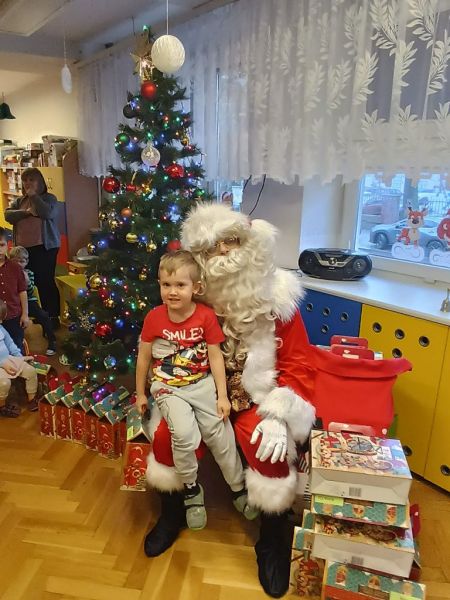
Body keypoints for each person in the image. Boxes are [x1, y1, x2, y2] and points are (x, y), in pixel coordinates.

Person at [143, 204, 316, 598]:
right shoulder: (188, 300)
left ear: (249, 243)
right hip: (198, 392)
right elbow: (161, 350)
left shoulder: (278, 299)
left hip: (258, 396)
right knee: (166, 437)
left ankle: (272, 537)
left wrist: (279, 412)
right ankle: (172, 513)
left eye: (231, 242)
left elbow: (300, 363)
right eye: (211, 248)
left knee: (268, 446)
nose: (222, 252)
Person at [136, 250, 258, 530]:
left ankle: (237, 487)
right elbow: (144, 357)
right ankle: (191, 490)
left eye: (180, 285)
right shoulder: (154, 318)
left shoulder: (205, 316)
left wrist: (222, 396)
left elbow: (215, 357)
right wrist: (141, 392)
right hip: (168, 387)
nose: (173, 291)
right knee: (183, 435)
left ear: (196, 288)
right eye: (166, 285)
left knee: (219, 433)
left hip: (202, 384)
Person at [5, 167, 61, 328]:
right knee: (24, 283)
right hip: (23, 251)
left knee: (45, 282)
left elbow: (47, 213)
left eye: (32, 180)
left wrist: (34, 196)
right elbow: (8, 215)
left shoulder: (49, 198)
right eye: (25, 180)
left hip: (44, 248)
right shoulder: (19, 201)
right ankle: (31, 314)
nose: (28, 183)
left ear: (40, 182)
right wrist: (27, 212)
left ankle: (51, 317)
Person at [9, 246, 57, 356]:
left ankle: (52, 340)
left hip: (29, 301)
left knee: (43, 316)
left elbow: (30, 291)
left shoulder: (29, 273)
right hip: (14, 303)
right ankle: (14, 345)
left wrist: (26, 281)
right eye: (15, 261)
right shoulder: (8, 274)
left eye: (22, 261)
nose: (19, 264)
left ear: (26, 262)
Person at [0, 300, 39, 417]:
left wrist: (19, 357)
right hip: (1, 364)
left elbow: (10, 344)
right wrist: (2, 364)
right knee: (4, 383)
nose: (1, 322)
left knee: (30, 371)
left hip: (9, 359)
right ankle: (2, 406)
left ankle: (32, 399)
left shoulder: (1, 328)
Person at [0, 227, 29, 350]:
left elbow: (22, 291)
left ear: (8, 245)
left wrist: (25, 314)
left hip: (14, 317)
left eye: (1, 245)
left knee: (17, 348)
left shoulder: (15, 268)